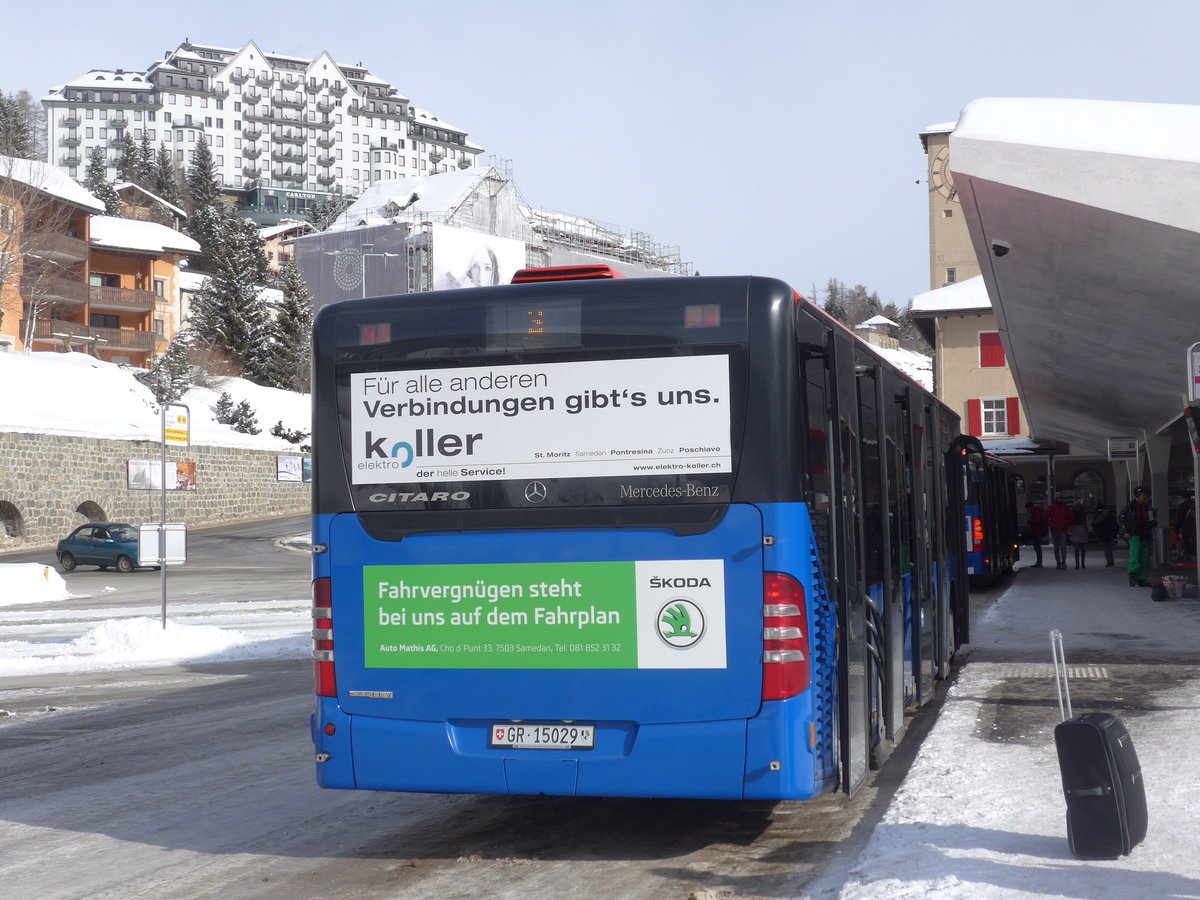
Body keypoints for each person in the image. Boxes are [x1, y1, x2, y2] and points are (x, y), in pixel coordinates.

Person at [1118, 486, 1157, 587]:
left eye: (1146, 495)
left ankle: (1143, 578)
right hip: (1134, 534)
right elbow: (1120, 519)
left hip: (1145, 534)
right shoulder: (1130, 506)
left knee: (1145, 557)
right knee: (1135, 556)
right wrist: (1125, 531)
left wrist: (1153, 521)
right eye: (1143, 495)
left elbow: (1151, 521)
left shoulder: (1147, 507)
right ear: (1138, 495)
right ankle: (1133, 578)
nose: (1145, 496)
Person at [1046, 493, 1074, 570]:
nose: (1060, 499)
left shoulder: (1065, 507)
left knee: (1063, 546)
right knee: (1056, 547)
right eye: (1058, 498)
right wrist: (1051, 523)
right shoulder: (1051, 508)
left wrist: (1065, 523)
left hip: (1063, 530)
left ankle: (1063, 562)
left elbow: (1071, 518)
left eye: (1061, 497)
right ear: (1055, 499)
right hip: (1055, 530)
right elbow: (1046, 517)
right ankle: (1058, 562)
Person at [1025, 502, 1047, 567]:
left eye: (1028, 508)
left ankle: (1039, 562)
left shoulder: (1035, 512)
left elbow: (1037, 520)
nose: (1027, 510)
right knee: (1037, 547)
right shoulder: (1035, 512)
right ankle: (1039, 561)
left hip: (1037, 532)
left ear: (1030, 507)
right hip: (1037, 531)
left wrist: (1030, 521)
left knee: (1037, 547)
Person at [1176, 492, 1195, 560]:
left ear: (1184, 497)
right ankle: (1195, 553)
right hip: (1194, 525)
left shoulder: (1181, 505)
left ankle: (1188, 556)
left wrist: (1177, 529)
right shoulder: (1194, 504)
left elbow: (1178, 518)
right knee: (1194, 539)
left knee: (1186, 541)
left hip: (1185, 526)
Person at [1069, 501, 1089, 568]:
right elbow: (1086, 523)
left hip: (1076, 531)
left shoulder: (1072, 513)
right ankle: (1082, 563)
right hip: (1082, 531)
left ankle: (1078, 564)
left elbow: (1071, 522)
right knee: (1082, 549)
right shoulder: (1083, 513)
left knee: (1077, 549)